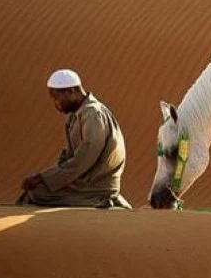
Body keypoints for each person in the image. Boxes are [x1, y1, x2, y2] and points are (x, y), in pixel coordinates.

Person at [19, 69, 132, 209]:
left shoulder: (92, 113)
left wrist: (43, 177)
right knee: (37, 190)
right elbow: (67, 156)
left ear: (71, 92)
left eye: (56, 98)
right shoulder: (78, 114)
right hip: (84, 180)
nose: (56, 104)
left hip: (96, 185)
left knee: (38, 194)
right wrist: (47, 177)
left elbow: (85, 158)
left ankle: (102, 200)